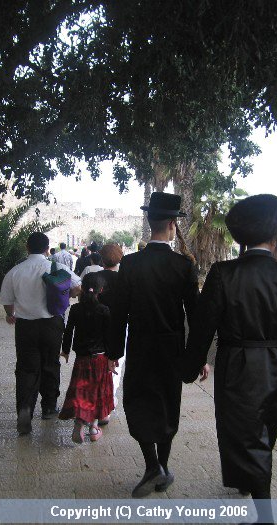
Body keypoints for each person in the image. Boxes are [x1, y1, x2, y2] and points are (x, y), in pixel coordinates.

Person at [181, 194, 277, 523]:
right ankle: (251, 485)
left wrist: (189, 366)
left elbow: (202, 327)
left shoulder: (223, 274)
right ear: (275, 234)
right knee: (265, 431)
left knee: (245, 436)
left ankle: (264, 516)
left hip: (237, 367)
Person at [108, 192, 199, 498]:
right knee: (167, 404)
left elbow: (119, 312)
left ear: (150, 222)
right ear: (173, 224)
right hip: (172, 348)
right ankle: (161, 467)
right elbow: (196, 316)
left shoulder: (131, 264)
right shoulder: (184, 266)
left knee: (138, 401)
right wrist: (199, 357)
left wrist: (113, 353)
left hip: (141, 345)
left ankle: (153, 467)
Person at [0, 232, 82, 435]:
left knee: (27, 368)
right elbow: (77, 286)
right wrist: (67, 294)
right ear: (47, 249)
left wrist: (11, 314)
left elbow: (7, 300)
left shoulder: (15, 271)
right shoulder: (56, 267)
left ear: (27, 248)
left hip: (25, 326)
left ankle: (25, 409)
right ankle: (49, 406)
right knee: (50, 363)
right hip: (52, 324)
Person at [59, 272, 114, 444]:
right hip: (101, 359)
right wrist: (113, 357)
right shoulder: (104, 310)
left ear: (82, 289)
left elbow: (68, 331)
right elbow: (109, 337)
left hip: (82, 359)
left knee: (82, 391)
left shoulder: (75, 309)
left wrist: (65, 351)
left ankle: (79, 424)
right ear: (101, 290)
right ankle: (94, 426)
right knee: (98, 392)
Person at [97, 243, 124, 412]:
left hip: (97, 327)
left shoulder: (94, 278)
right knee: (116, 364)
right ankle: (108, 402)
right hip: (118, 326)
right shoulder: (123, 279)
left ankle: (97, 398)